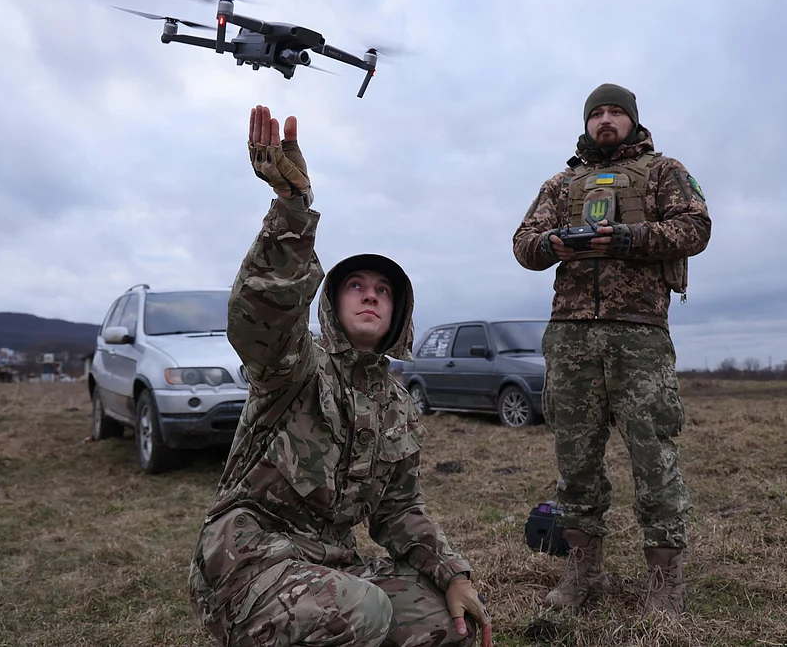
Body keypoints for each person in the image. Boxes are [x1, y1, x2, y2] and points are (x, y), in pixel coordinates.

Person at [188, 105, 493, 647]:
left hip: (330, 561)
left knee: (449, 627)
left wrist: (453, 573)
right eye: (357, 285)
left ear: (399, 311)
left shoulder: (398, 403)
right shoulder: (295, 365)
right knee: (364, 613)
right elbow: (260, 315)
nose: (372, 292)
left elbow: (399, 509)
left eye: (384, 288)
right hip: (247, 559)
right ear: (333, 302)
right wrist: (291, 208)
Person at [511, 83, 712, 616]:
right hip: (571, 334)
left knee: (654, 456)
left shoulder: (664, 171)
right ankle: (583, 573)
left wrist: (630, 239)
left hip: (639, 333)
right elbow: (522, 243)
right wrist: (554, 244)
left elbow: (695, 227)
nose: (605, 120)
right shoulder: (562, 183)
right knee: (575, 459)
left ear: (632, 120)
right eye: (596, 113)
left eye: (615, 112)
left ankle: (665, 583)